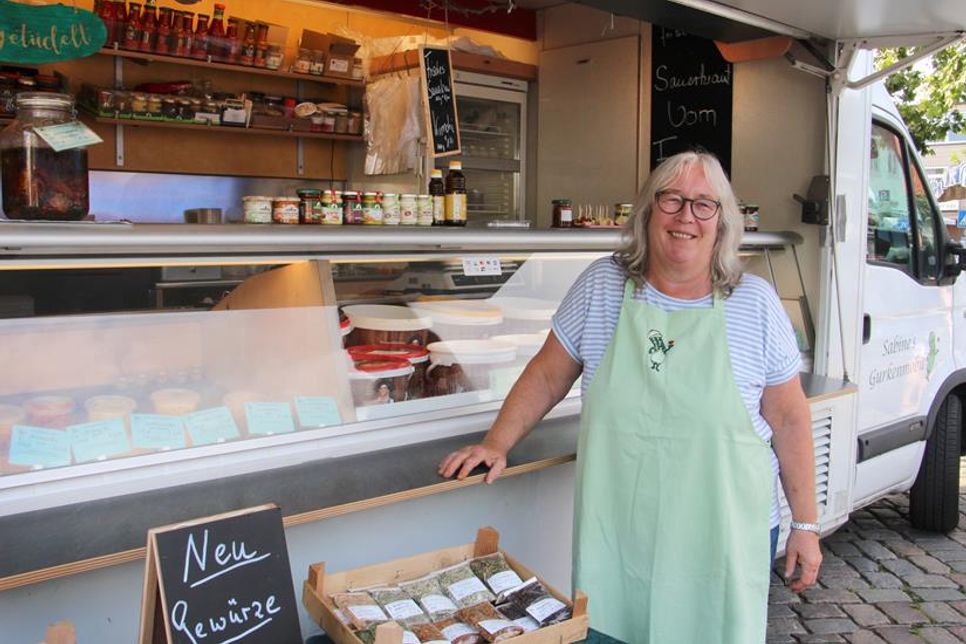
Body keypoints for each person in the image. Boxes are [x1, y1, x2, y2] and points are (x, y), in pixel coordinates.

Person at [439, 151, 822, 642]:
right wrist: (497, 442)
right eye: (672, 200)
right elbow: (547, 376)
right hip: (620, 535)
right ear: (646, 212)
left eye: (704, 204)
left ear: (723, 224)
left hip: (725, 536)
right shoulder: (603, 284)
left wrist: (806, 525)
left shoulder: (756, 304)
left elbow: (790, 420)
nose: (686, 216)